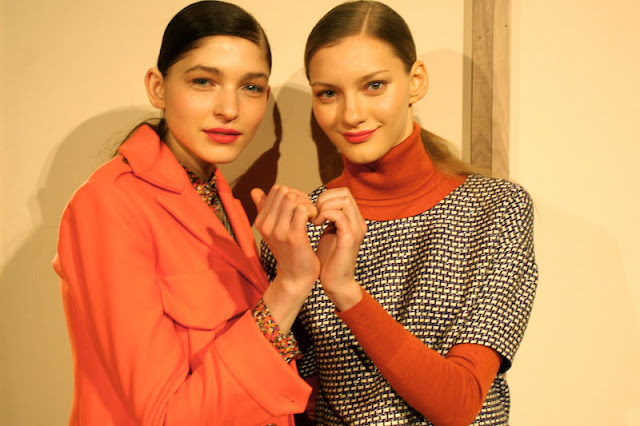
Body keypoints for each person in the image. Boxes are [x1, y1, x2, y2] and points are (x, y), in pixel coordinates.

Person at [260, 1, 538, 424]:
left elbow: (459, 404)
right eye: (329, 93)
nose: (352, 114)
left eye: (374, 85)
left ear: (416, 81)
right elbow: (294, 398)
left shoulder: (495, 210)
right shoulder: (300, 229)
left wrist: (345, 291)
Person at [52, 1, 320, 424]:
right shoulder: (108, 205)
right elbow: (167, 417)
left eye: (250, 87)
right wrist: (289, 286)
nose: (229, 108)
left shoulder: (219, 197)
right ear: (158, 87)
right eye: (203, 81)